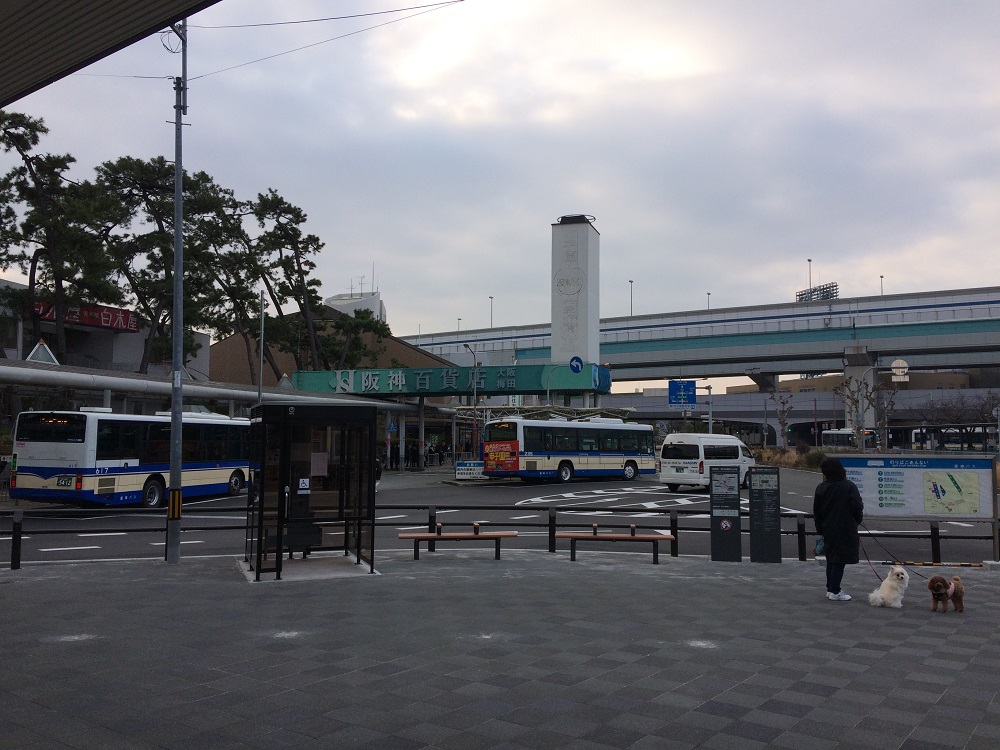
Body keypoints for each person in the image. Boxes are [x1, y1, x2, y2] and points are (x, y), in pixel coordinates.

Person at [813, 457, 864, 601]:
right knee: (839, 561)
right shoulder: (848, 486)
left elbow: (816, 511)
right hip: (845, 528)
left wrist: (820, 529)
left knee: (831, 559)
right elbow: (857, 506)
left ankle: (831, 588)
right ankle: (835, 590)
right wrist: (856, 520)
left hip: (827, 528)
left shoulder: (821, 487)